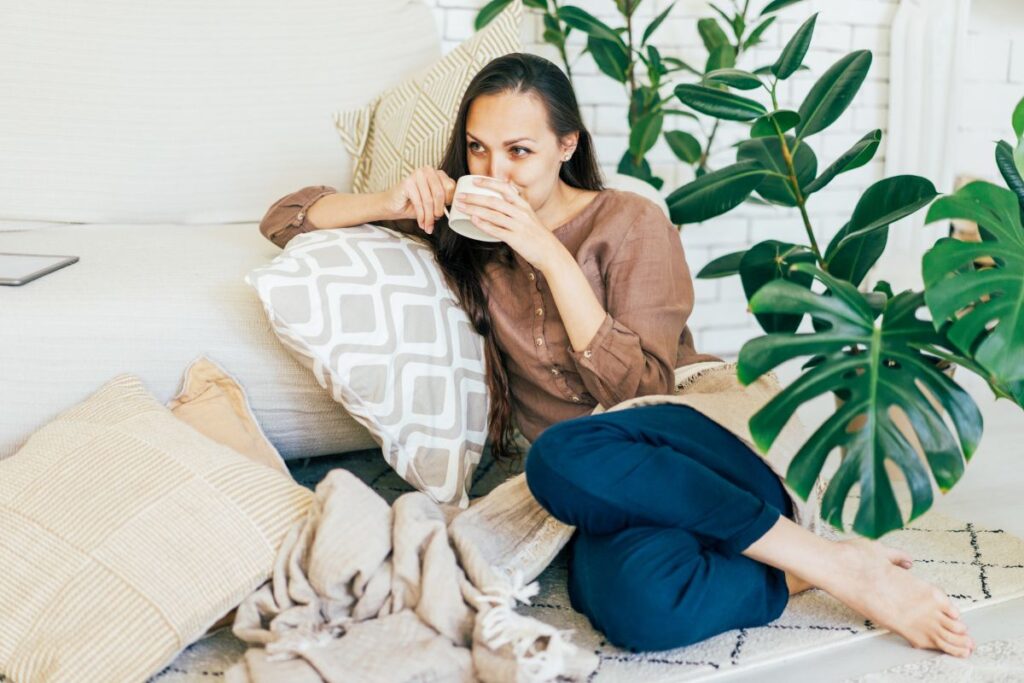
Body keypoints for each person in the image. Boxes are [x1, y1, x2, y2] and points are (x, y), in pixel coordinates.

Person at [258, 52, 974, 658]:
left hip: (694, 435)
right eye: (477, 148)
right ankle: (792, 573)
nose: (494, 170)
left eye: (519, 151)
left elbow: (644, 384)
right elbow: (285, 217)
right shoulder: (464, 237)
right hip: (607, 484)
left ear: (567, 146)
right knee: (632, 606)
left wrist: (546, 253)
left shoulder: (631, 221)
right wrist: (390, 198)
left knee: (561, 454)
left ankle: (841, 564)